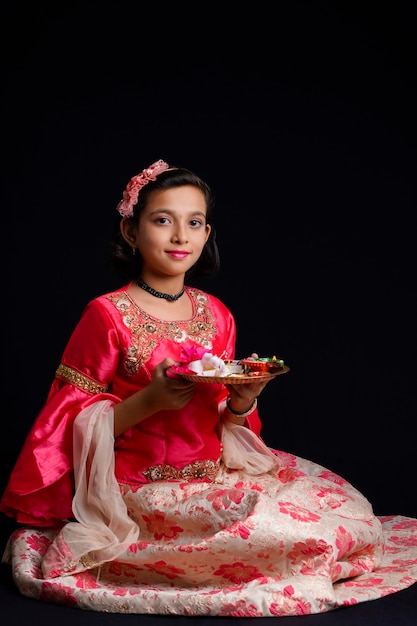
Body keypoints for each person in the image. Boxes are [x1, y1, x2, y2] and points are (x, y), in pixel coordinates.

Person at [1, 160, 416, 617]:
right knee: (287, 534)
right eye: (163, 220)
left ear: (206, 233)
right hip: (139, 490)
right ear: (131, 230)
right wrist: (147, 402)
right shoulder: (106, 314)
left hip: (214, 476)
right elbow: (65, 424)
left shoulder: (216, 314)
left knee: (347, 512)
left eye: (193, 223)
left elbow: (225, 423)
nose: (181, 236)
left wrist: (242, 401)